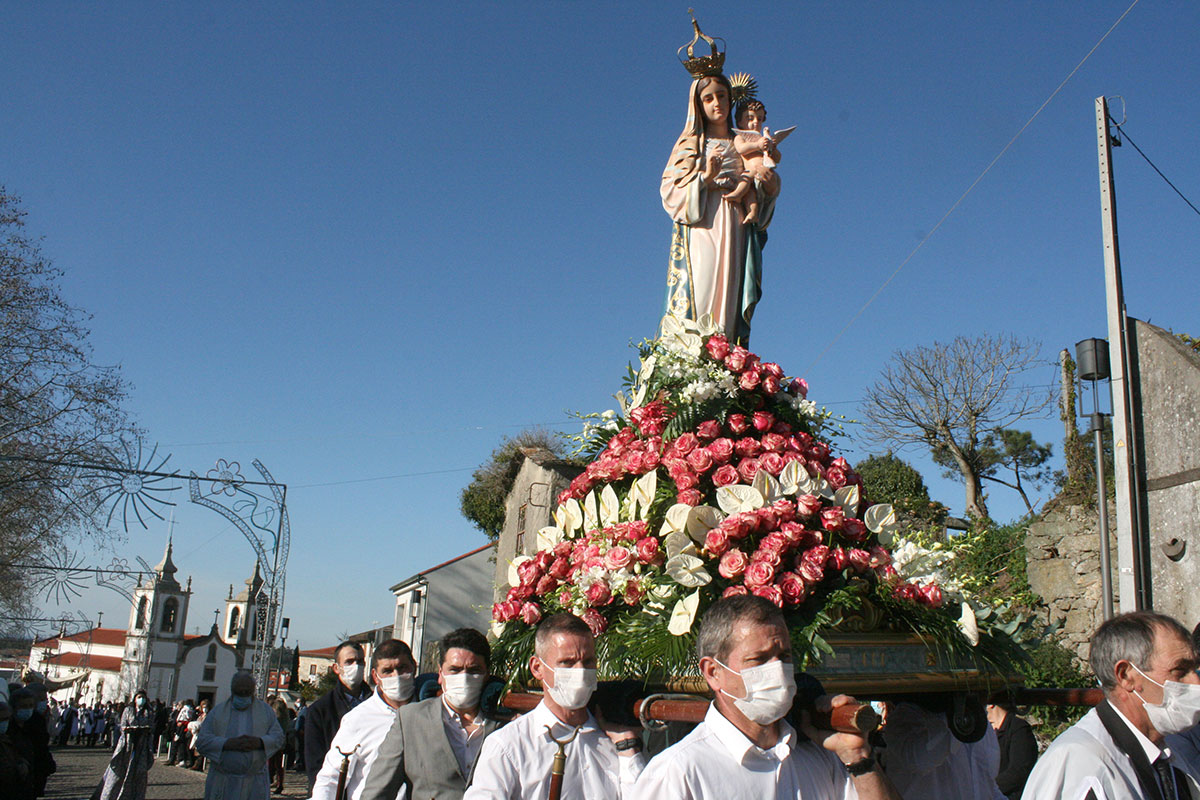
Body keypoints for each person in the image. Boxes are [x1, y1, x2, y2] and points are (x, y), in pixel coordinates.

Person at [632, 594, 902, 799]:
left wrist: (859, 758)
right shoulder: (679, 772)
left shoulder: (821, 756)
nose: (777, 671)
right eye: (758, 660)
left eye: (783, 657)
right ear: (713, 672)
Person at [1022, 611, 1200, 799]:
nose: (1196, 683)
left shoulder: (1168, 753)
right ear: (1125, 676)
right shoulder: (1082, 764)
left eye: (1195, 669)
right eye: (1180, 670)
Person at [465, 613, 644, 799]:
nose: (580, 672)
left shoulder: (615, 738)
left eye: (588, 661)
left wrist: (627, 747)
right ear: (537, 668)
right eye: (567, 663)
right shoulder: (509, 746)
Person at [661, 69, 779, 345]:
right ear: (698, 105)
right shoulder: (691, 144)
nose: (717, 103)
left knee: (731, 291)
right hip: (704, 221)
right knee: (702, 284)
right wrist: (705, 177)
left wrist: (769, 186)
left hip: (736, 221)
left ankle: (725, 351)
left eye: (722, 96)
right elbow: (670, 190)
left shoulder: (742, 141)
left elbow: (760, 188)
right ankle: (697, 353)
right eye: (709, 98)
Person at [362, 628, 501, 800]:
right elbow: (377, 793)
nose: (464, 678)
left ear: (487, 673)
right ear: (440, 673)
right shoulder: (411, 721)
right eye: (455, 670)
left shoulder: (503, 724)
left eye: (473, 670)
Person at [312, 639, 418, 800]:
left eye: (402, 668)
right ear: (376, 676)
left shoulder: (432, 714)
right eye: (387, 671)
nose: (396, 676)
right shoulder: (358, 719)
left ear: (414, 667)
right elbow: (330, 778)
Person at [880, 700, 1005, 799]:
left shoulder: (982, 725)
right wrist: (958, 717)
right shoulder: (905, 717)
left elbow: (987, 787)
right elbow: (921, 759)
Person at [195, 671, 285, 800]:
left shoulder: (265, 711)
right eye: (239, 692)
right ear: (232, 691)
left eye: (246, 692)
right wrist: (226, 743)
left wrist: (260, 742)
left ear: (253, 691)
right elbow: (202, 742)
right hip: (223, 780)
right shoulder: (218, 712)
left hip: (254, 781)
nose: (243, 695)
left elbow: (278, 737)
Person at [305, 641, 372, 792]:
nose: (356, 666)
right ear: (336, 668)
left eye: (360, 661)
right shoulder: (320, 711)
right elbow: (315, 763)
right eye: (349, 662)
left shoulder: (376, 706)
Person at [94, 690, 155, 800]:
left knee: (138, 773)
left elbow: (152, 726)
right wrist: (128, 730)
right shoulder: (128, 710)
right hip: (127, 744)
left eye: (143, 698)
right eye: (139, 697)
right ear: (135, 698)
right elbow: (122, 725)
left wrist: (146, 730)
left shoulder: (149, 712)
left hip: (141, 745)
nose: (141, 700)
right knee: (119, 771)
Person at [987, 701, 1037, 800]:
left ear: (991, 704)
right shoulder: (984, 732)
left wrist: (988, 788)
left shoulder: (1019, 729)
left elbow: (1019, 771)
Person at [17, 685, 55, 797]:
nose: (44, 703)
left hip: (37, 773)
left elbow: (42, 746)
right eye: (42, 700)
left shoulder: (38, 719)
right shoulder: (19, 721)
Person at [0, 700, 35, 800]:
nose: (4, 723)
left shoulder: (7, 739)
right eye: (1, 719)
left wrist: (23, 763)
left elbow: (15, 756)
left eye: (6, 719)